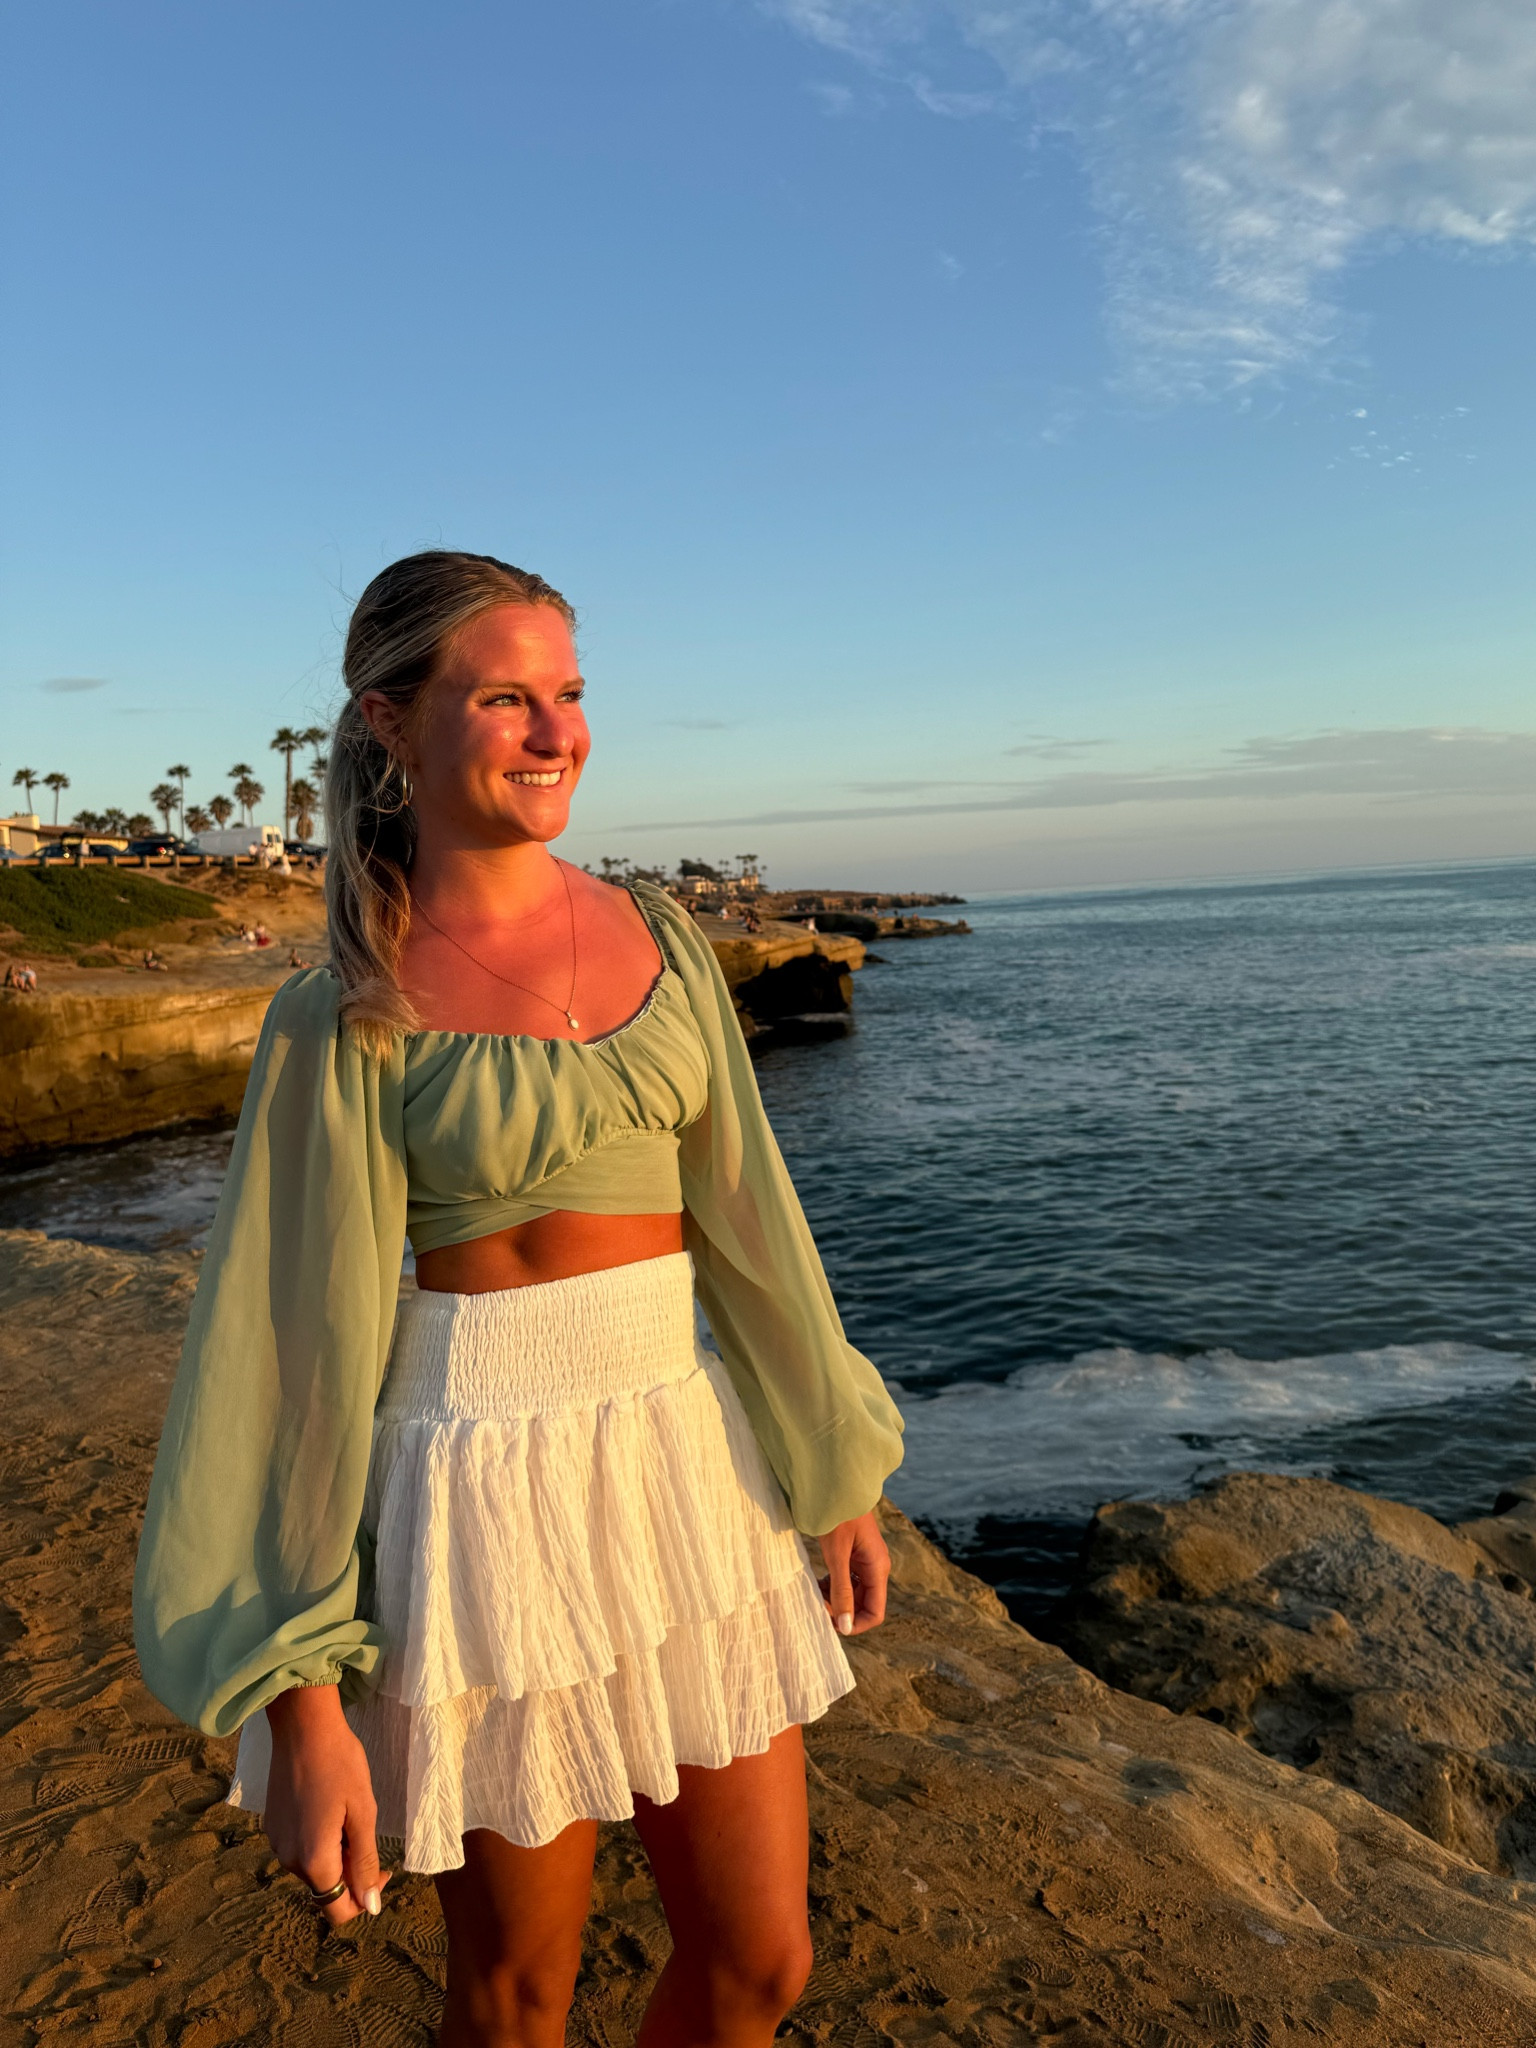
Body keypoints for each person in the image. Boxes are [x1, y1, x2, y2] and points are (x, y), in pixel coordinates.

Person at [134, 551, 904, 2048]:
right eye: (505, 698)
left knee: (760, 1961)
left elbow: (752, 1223)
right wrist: (301, 1701)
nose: (559, 733)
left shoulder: (663, 938)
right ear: (391, 722)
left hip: (684, 1466)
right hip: (481, 1496)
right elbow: (282, 1360)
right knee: (513, 1996)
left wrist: (832, 1462)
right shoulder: (347, 1007)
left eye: (568, 694)